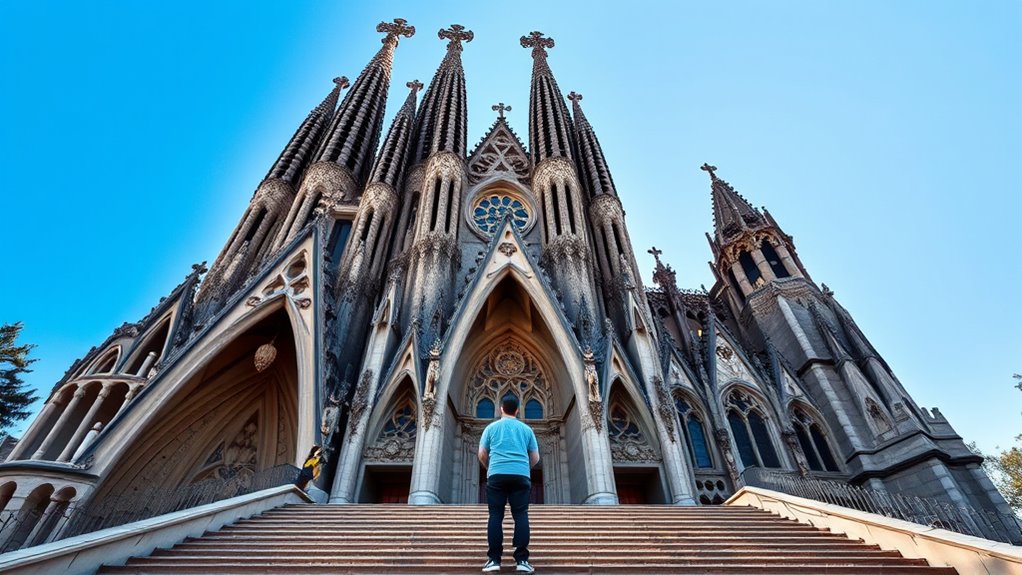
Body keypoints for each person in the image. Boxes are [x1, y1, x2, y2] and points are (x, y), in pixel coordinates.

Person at [478, 395, 540, 573]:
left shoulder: (491, 428)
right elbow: (535, 458)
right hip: (520, 476)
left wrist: (490, 467)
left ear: (501, 409)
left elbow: (482, 454)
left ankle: (494, 560)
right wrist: (523, 468)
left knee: (495, 516)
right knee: (521, 515)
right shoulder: (527, 429)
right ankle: (522, 560)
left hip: (496, 475)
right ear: (517, 410)